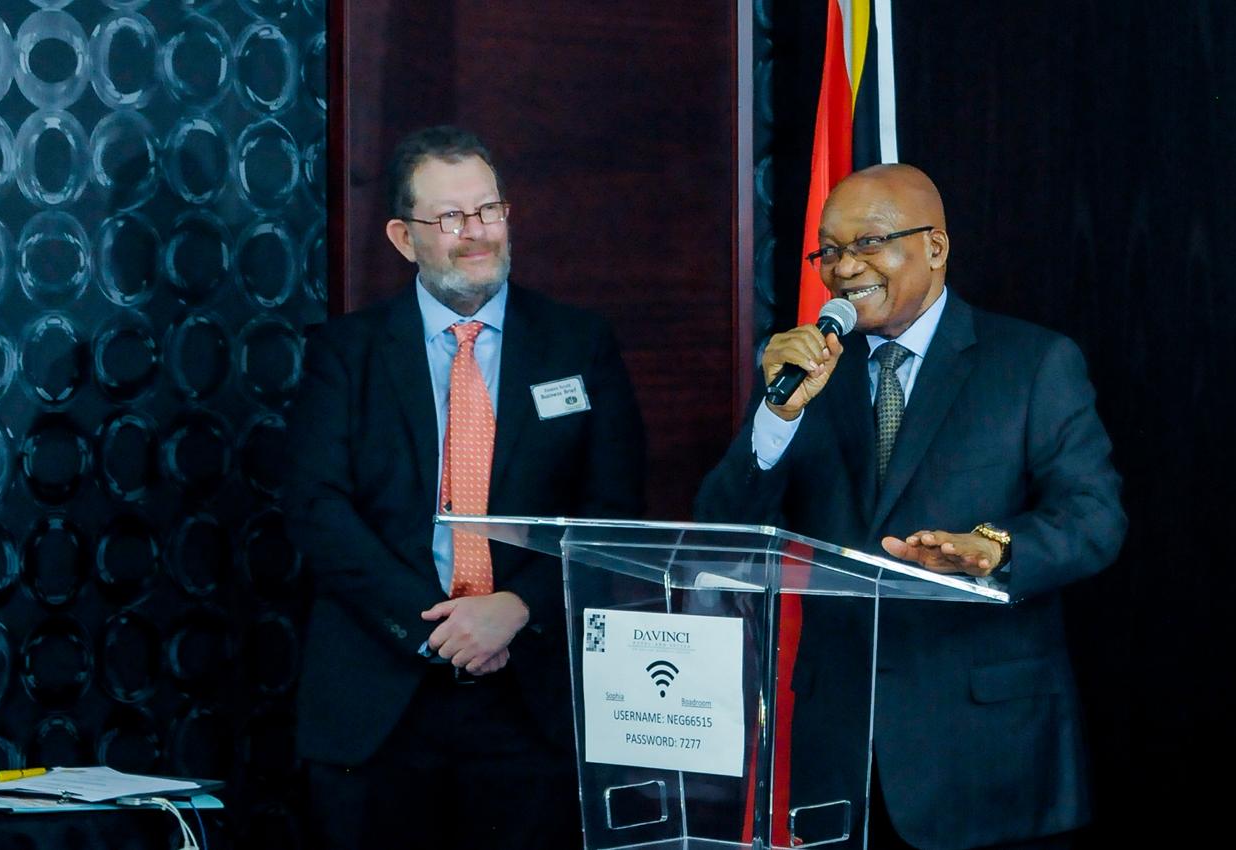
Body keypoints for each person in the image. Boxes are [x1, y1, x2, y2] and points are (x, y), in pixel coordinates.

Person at [695, 164, 1125, 850]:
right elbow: (722, 533)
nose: (843, 268)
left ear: (935, 246)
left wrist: (996, 548)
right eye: (828, 251)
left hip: (986, 751)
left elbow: (1093, 517)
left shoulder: (1032, 362)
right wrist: (777, 417)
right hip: (839, 754)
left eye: (868, 243)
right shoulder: (805, 373)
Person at [284, 125, 646, 849]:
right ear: (402, 236)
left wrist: (517, 607)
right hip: (379, 696)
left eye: (488, 210)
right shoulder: (345, 353)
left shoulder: (578, 344)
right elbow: (317, 511)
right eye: (449, 217)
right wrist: (440, 628)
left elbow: (612, 510)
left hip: (532, 697)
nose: (475, 233)